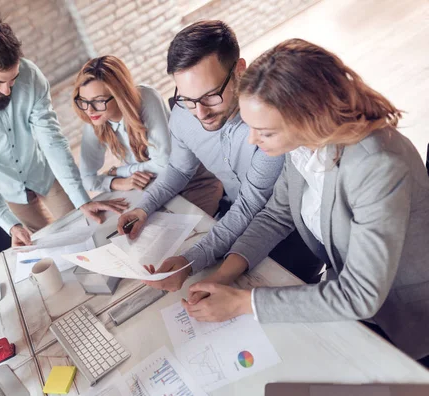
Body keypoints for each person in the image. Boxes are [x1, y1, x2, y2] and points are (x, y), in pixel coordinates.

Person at [183, 38, 429, 364]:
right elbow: (277, 214)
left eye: (265, 132)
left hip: (404, 320)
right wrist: (223, 276)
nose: (253, 140)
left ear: (307, 117)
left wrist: (244, 303)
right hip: (344, 304)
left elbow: (360, 295)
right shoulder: (303, 145)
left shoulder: (378, 164)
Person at [117, 20, 321, 289]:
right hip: (237, 212)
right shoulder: (182, 115)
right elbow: (179, 169)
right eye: (187, 99)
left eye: (211, 96)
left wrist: (191, 261)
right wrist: (143, 207)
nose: (200, 113)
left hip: (294, 231)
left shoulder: (267, 125)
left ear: (239, 70)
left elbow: (257, 207)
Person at [0, 16, 127, 247]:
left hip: (43, 172)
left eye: (12, 80)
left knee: (85, 228)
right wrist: (9, 224)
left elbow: (52, 140)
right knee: (47, 247)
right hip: (7, 190)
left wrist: (81, 198)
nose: (5, 91)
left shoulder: (30, 75)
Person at [74, 55, 223, 216]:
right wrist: (117, 182)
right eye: (83, 101)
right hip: (152, 188)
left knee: (188, 236)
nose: (89, 110)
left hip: (192, 182)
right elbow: (86, 178)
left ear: (119, 94)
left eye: (98, 100)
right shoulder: (95, 119)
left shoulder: (145, 98)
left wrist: (120, 171)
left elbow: (164, 164)